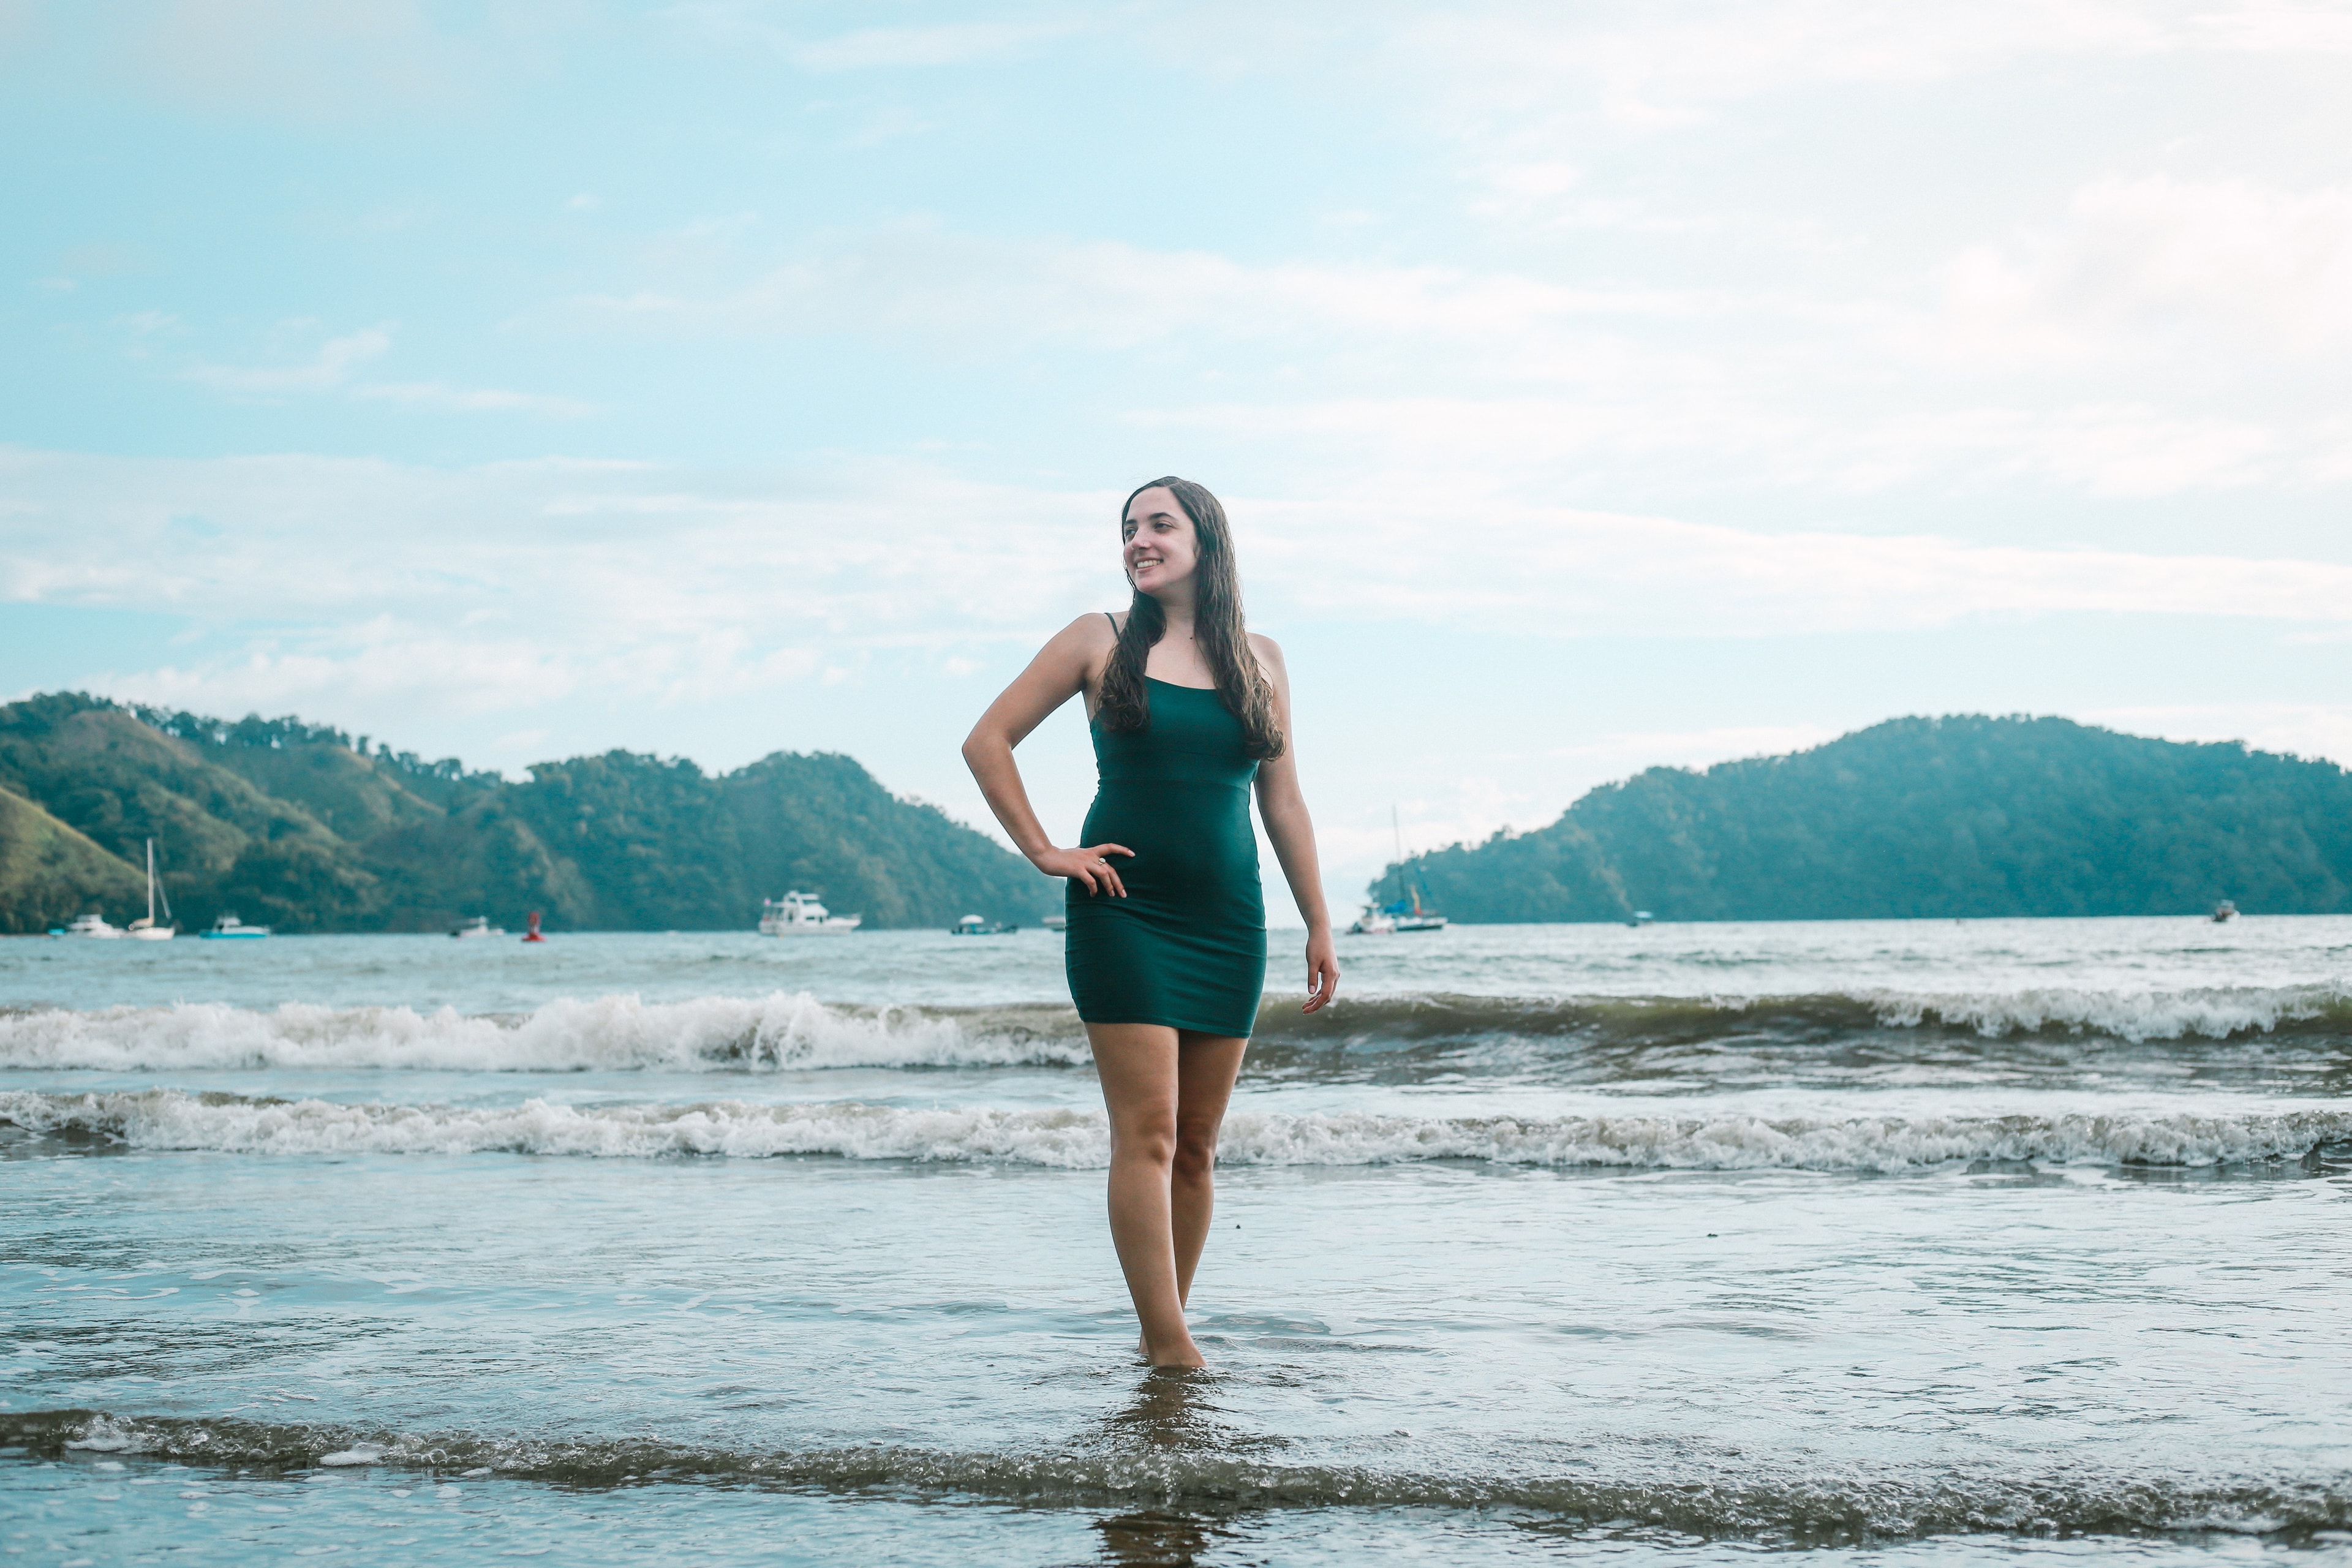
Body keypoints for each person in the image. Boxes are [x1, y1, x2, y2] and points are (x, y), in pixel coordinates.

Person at [962, 477, 1340, 1367]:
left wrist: (1318, 923)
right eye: (1129, 528)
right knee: (1151, 1132)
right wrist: (1046, 851)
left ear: (1206, 540)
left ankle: (1159, 1329)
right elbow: (987, 741)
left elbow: (1282, 803)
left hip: (1229, 922)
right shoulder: (1098, 640)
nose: (1138, 540)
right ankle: (1174, 1347)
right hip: (1122, 915)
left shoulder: (1264, 660)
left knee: (1199, 1149)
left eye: (1158, 525)